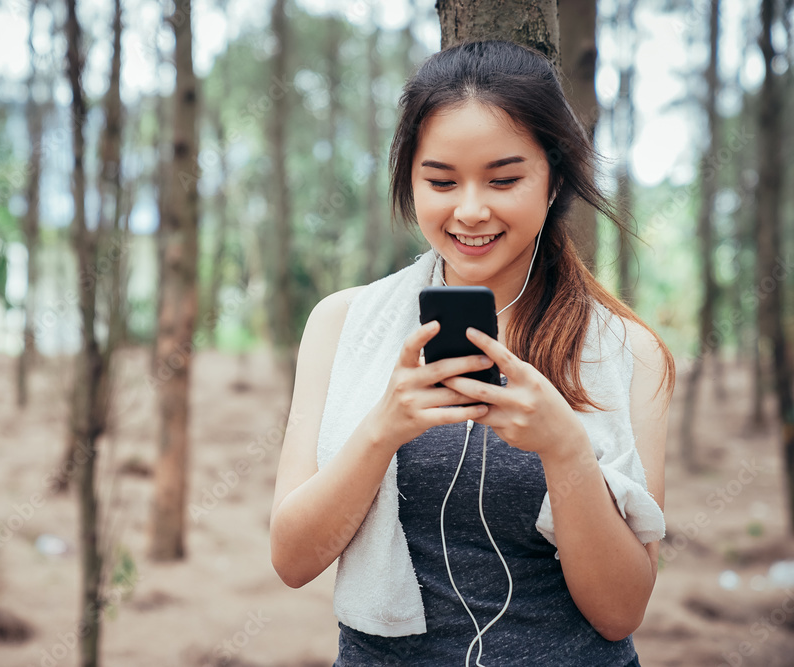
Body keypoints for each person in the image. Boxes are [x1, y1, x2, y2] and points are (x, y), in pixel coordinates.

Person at [269, 40, 675, 667]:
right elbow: (293, 560)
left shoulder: (629, 354)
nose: (470, 210)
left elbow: (621, 611)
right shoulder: (342, 325)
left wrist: (564, 447)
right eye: (440, 180)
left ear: (555, 180)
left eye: (504, 178)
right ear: (410, 178)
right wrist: (383, 429)